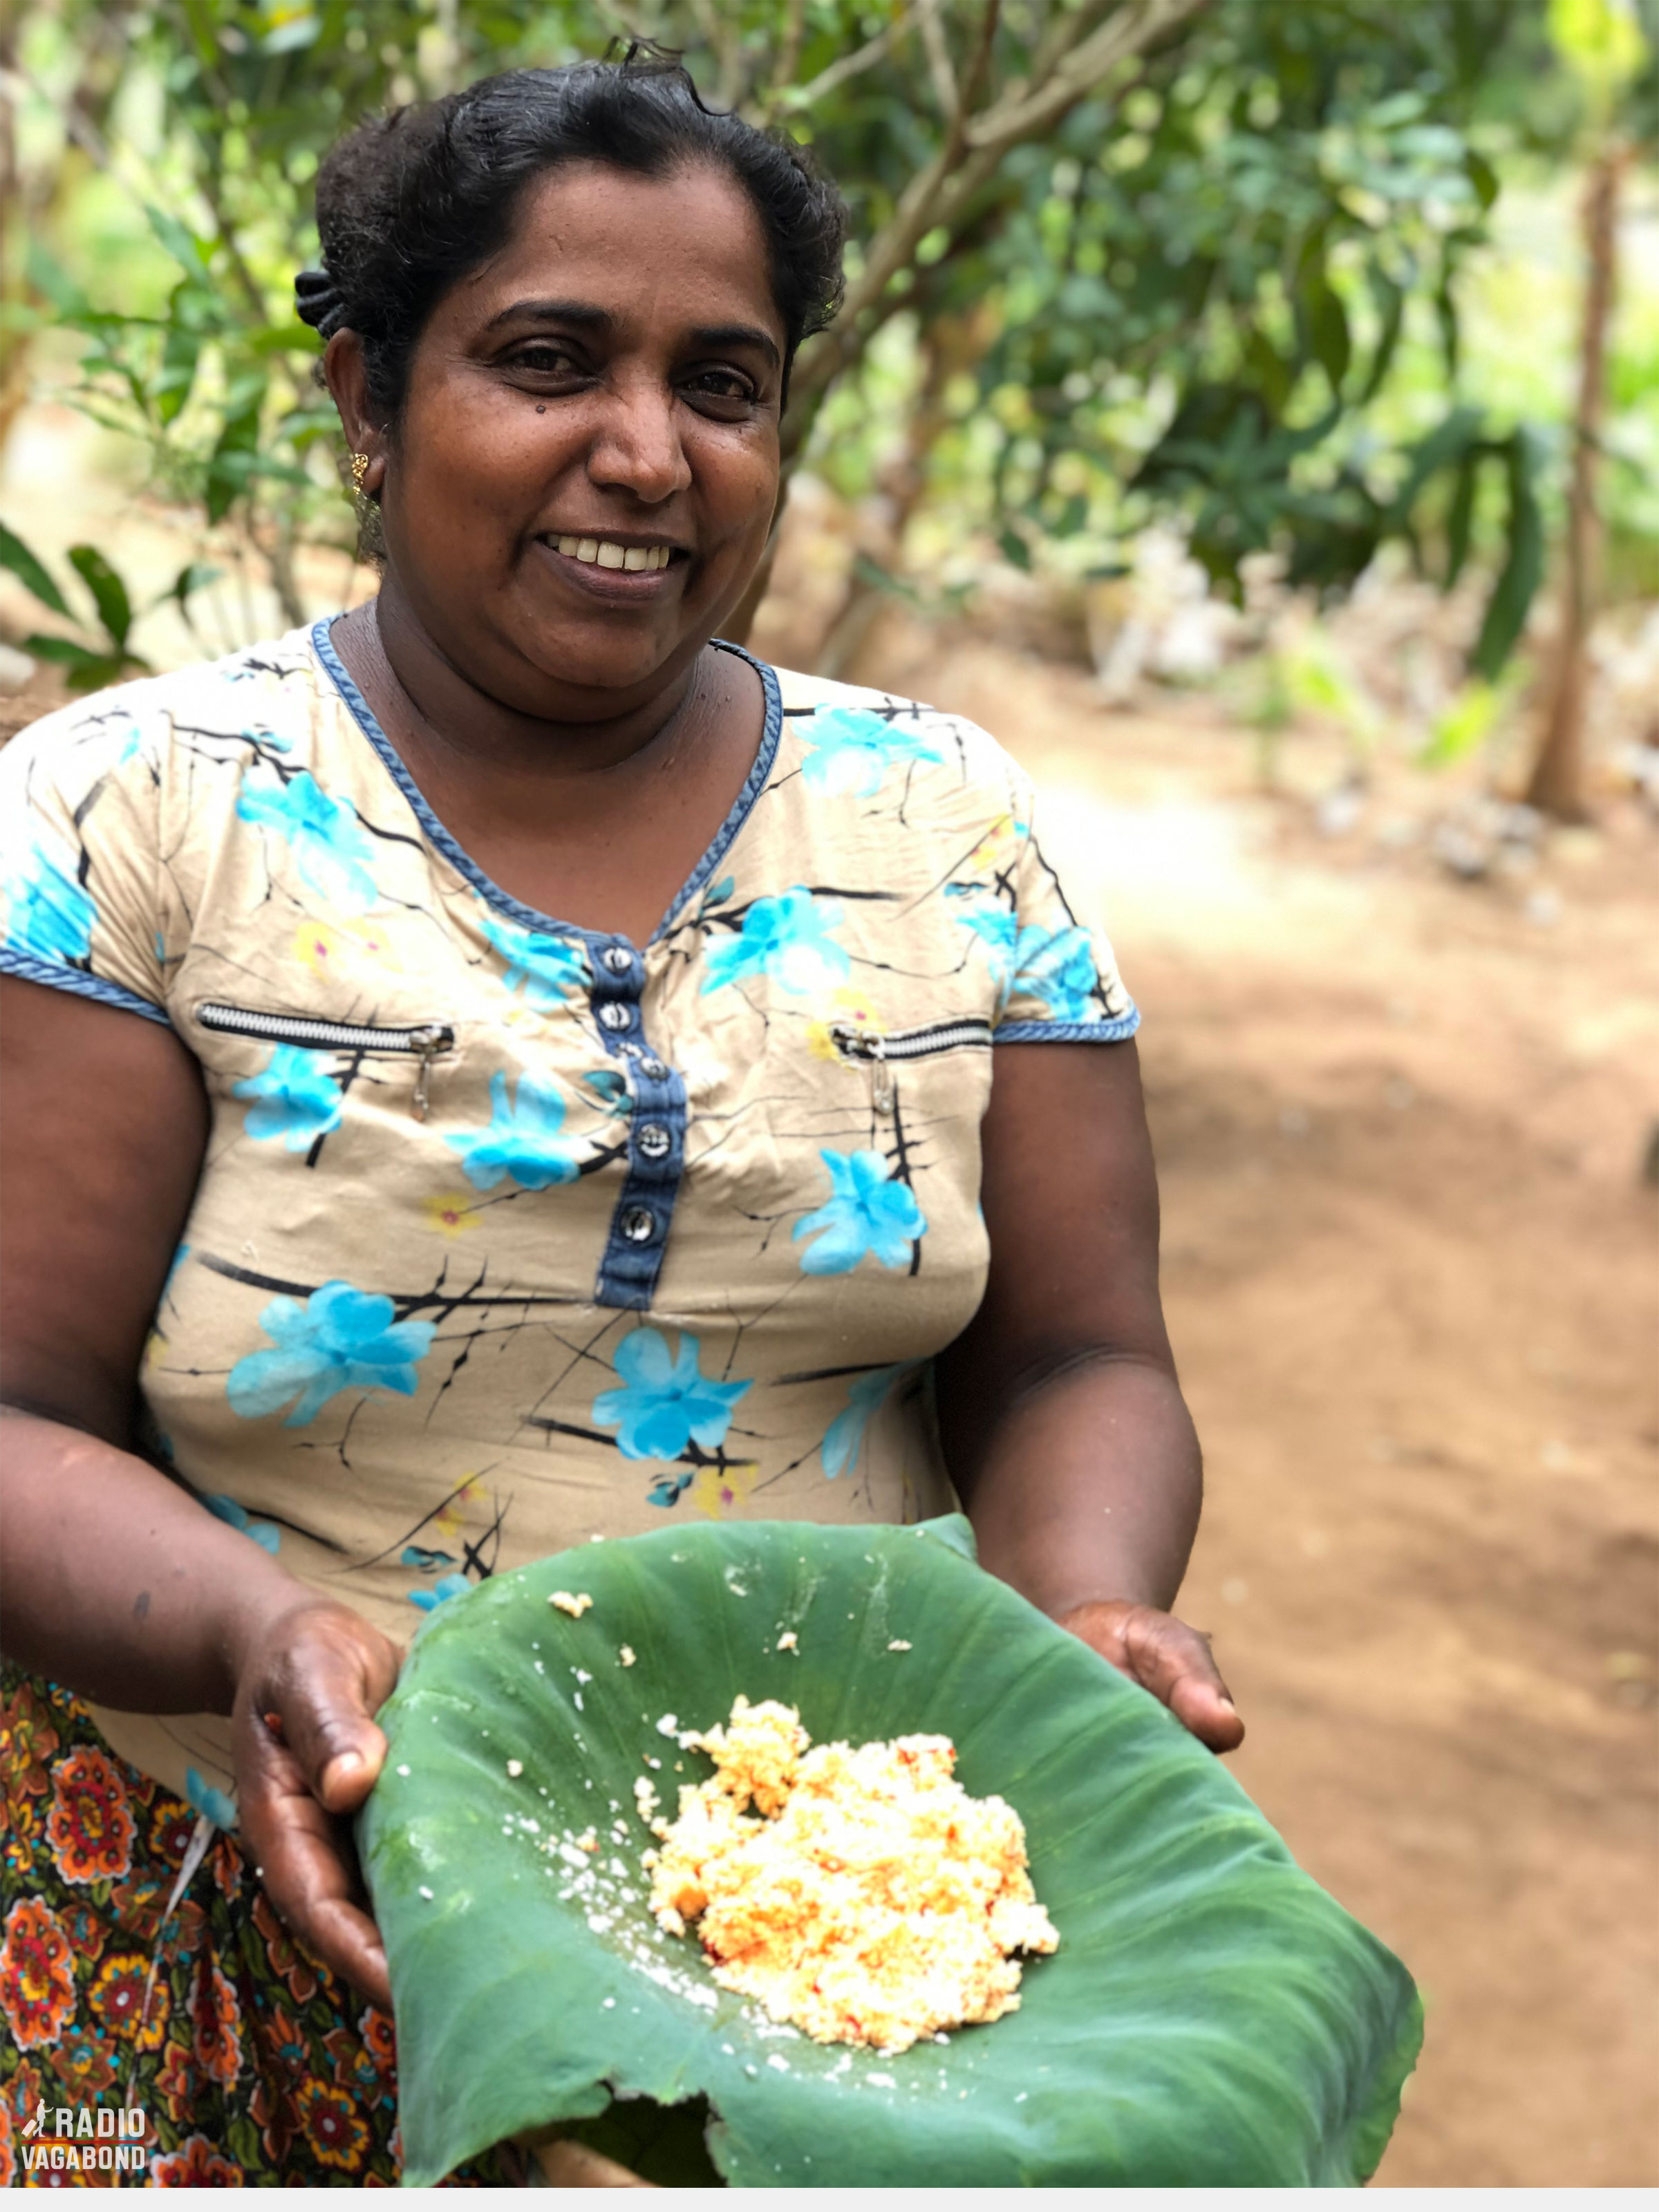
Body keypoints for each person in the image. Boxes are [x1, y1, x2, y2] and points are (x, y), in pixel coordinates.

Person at [0, 52, 1242, 2186]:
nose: (647, 454)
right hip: (243, 1876)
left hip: (813, 1907)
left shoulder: (948, 820)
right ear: (372, 402)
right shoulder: (137, 819)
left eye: (726, 384)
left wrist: (1086, 1609)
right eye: (548, 362)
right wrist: (249, 1633)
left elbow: (1078, 1356)